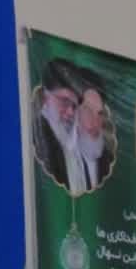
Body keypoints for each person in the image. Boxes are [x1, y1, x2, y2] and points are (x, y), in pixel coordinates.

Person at [32, 59, 113, 195]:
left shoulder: (75, 143)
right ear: (46, 97)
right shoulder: (37, 139)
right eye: (64, 101)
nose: (71, 112)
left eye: (74, 105)